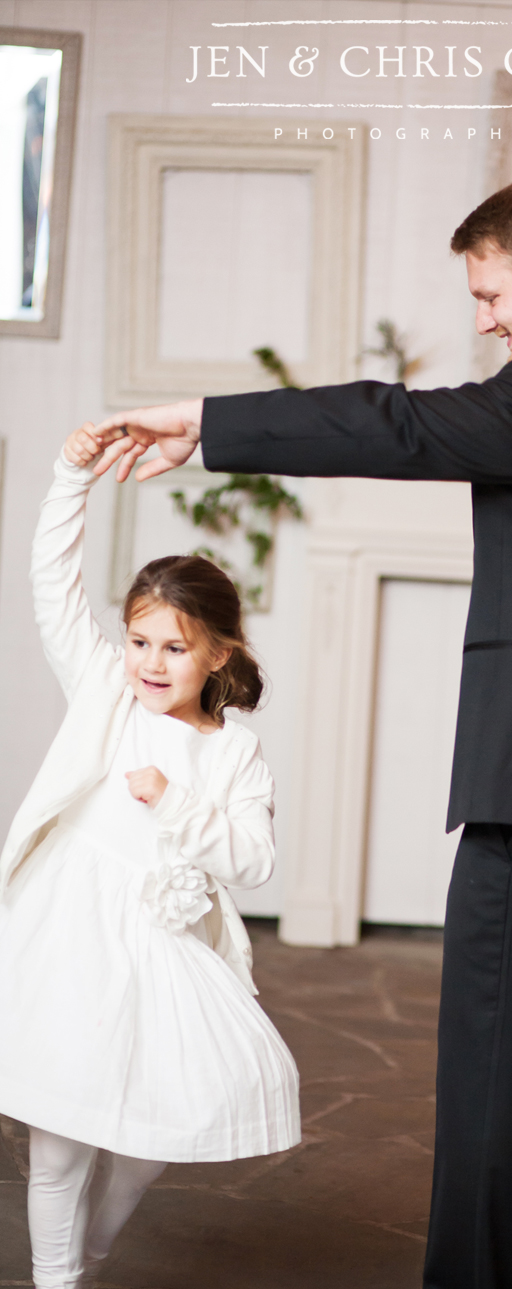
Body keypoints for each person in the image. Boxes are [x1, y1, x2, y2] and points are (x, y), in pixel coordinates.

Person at [92, 173, 512, 1289]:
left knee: (503, 1093)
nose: (483, 320)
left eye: (489, 294)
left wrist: (204, 423)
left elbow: (404, 423)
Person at [0, 423, 300, 1289]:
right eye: (139, 640)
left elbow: (250, 861)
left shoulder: (233, 753)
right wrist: (71, 477)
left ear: (218, 653)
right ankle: (56, 1278)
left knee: (147, 1142)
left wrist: (177, 804)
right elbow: (53, 585)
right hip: (70, 934)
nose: (151, 661)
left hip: (165, 954)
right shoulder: (105, 694)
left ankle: (87, 1253)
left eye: (174, 646)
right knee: (58, 1141)